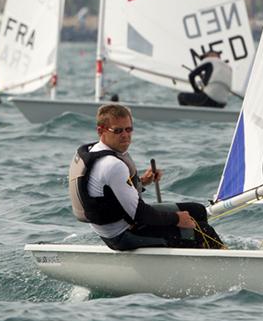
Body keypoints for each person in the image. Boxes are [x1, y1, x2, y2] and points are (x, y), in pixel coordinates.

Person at [69, 104, 224, 251]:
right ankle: (220, 261)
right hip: (123, 234)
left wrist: (142, 181)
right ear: (101, 130)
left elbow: (109, 195)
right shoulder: (112, 164)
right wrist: (176, 219)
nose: (125, 135)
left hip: (123, 222)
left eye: (129, 129)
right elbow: (140, 214)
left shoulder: (95, 151)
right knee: (201, 229)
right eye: (118, 131)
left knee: (197, 211)